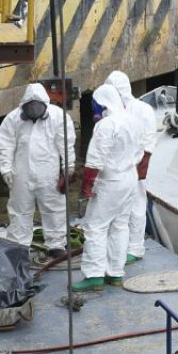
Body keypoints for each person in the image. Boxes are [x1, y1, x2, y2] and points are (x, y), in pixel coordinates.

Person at [72, 84, 145, 291]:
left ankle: (94, 275)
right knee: (120, 225)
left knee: (95, 226)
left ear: (102, 103)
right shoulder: (134, 121)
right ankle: (115, 272)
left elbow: (95, 159)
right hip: (130, 176)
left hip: (111, 180)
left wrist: (87, 185)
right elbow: (140, 151)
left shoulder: (106, 125)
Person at [0, 83, 75, 258]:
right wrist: (6, 169)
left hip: (49, 173)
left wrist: (68, 169)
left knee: (54, 209)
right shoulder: (13, 118)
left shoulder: (58, 117)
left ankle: (56, 244)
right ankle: (19, 245)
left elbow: (66, 145)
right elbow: (5, 145)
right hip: (20, 174)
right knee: (20, 211)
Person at [104, 70, 159, 264]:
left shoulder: (142, 110)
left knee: (136, 205)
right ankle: (118, 245)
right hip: (116, 167)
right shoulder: (110, 110)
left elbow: (149, 141)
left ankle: (135, 248)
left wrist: (142, 167)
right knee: (116, 207)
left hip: (134, 165)